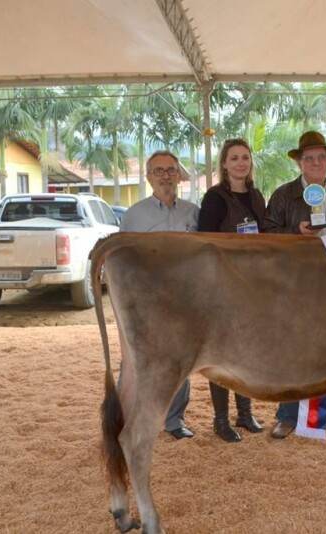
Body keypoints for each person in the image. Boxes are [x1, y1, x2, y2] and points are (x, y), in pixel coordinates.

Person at [263, 130, 326, 439]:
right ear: (299, 163)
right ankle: (288, 415)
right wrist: (296, 232)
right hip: (295, 282)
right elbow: (266, 233)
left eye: (321, 157)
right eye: (309, 158)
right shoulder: (282, 196)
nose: (316, 162)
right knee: (291, 346)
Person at [119, 150, 198, 440]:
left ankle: (174, 421)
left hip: (184, 299)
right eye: (159, 171)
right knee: (136, 360)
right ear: (149, 177)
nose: (165, 175)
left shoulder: (193, 213)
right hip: (145, 300)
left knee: (181, 360)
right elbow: (122, 260)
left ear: (179, 176)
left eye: (170, 170)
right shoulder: (134, 216)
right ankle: (127, 418)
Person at [198, 138, 266, 442]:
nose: (240, 162)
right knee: (221, 353)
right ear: (224, 164)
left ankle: (245, 413)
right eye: (234, 158)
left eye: (245, 157)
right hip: (222, 285)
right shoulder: (214, 198)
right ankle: (220, 420)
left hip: (251, 286)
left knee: (246, 351)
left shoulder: (257, 196)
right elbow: (204, 241)